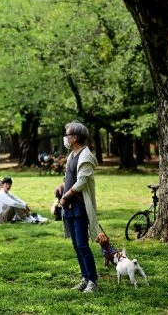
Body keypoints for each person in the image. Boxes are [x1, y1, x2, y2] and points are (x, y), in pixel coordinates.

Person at [56, 120, 107, 294]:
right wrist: (62, 188)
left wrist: (66, 196)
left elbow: (81, 182)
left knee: (82, 244)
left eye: (67, 135)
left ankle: (93, 280)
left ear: (75, 137)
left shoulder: (85, 156)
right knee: (76, 245)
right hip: (69, 206)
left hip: (79, 207)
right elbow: (69, 178)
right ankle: (84, 278)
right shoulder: (72, 155)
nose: (65, 138)